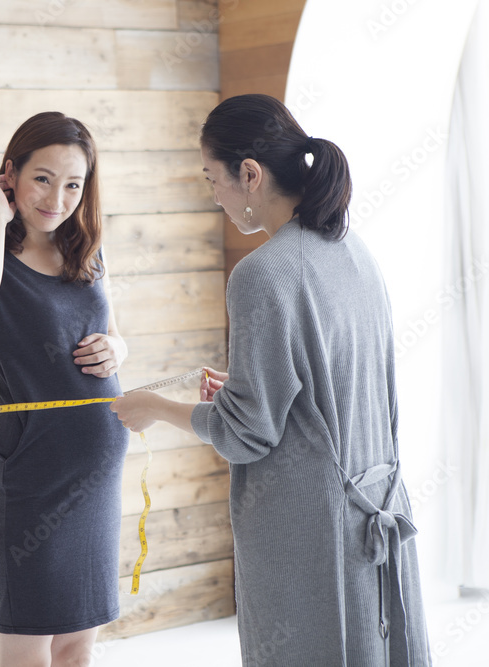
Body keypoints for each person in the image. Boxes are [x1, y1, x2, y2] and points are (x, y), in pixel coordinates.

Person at [111, 94, 431, 665]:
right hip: (374, 511)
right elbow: (331, 389)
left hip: (308, 532)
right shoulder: (353, 251)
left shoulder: (261, 274)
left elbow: (247, 433)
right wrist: (246, 384)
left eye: (213, 179)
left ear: (250, 174)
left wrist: (155, 406)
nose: (214, 196)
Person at [0, 111, 129, 667]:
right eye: (42, 178)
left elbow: (117, 336)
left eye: (74, 183)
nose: (58, 197)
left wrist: (117, 351)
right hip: (31, 475)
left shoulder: (87, 256)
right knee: (27, 644)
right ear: (11, 174)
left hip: (97, 475)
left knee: (78, 643)